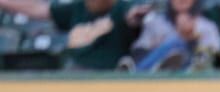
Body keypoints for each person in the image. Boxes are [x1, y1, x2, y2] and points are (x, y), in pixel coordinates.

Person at [0, 0, 148, 70]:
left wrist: (135, 16)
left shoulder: (121, 8)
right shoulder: (78, 8)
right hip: (74, 74)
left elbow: (132, 16)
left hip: (106, 78)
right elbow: (38, 9)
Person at [130, 0, 220, 71]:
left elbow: (210, 61)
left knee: (179, 43)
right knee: (175, 42)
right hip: (154, 79)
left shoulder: (207, 27)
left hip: (190, 80)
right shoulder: (156, 23)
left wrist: (191, 40)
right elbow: (139, 51)